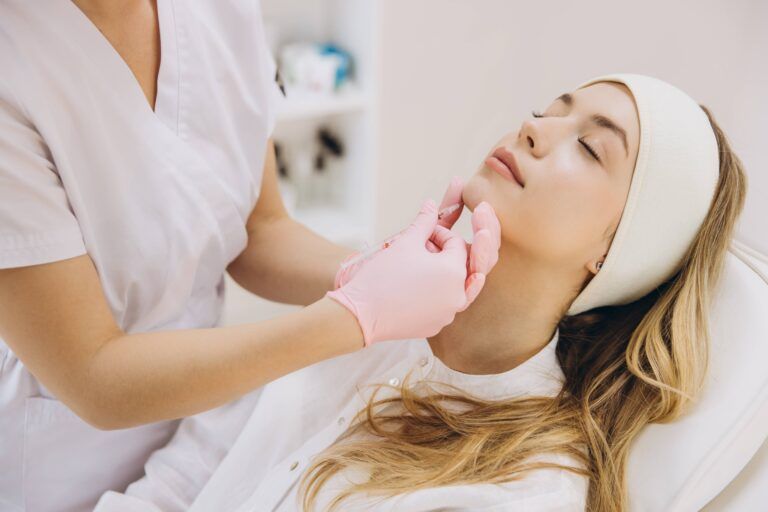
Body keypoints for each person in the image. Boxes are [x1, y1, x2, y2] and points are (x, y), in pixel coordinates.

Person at [93, 73, 749, 511]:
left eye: (590, 146)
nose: (533, 129)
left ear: (616, 248)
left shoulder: (529, 484)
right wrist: (358, 307)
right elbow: (174, 486)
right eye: (548, 109)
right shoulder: (361, 327)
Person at [0, 1, 499, 510]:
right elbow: (93, 375)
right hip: (61, 463)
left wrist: (366, 273)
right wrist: (355, 315)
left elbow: (260, 230)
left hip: (200, 423)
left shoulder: (221, 12)